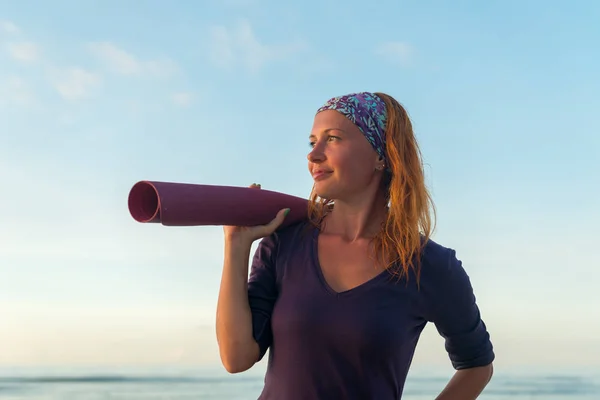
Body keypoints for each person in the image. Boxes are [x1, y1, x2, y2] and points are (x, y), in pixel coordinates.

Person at [216, 92, 495, 399]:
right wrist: (236, 245)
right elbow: (236, 358)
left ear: (382, 155)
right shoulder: (284, 243)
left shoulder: (430, 265)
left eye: (332, 138)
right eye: (312, 142)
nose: (314, 155)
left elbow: (477, 365)